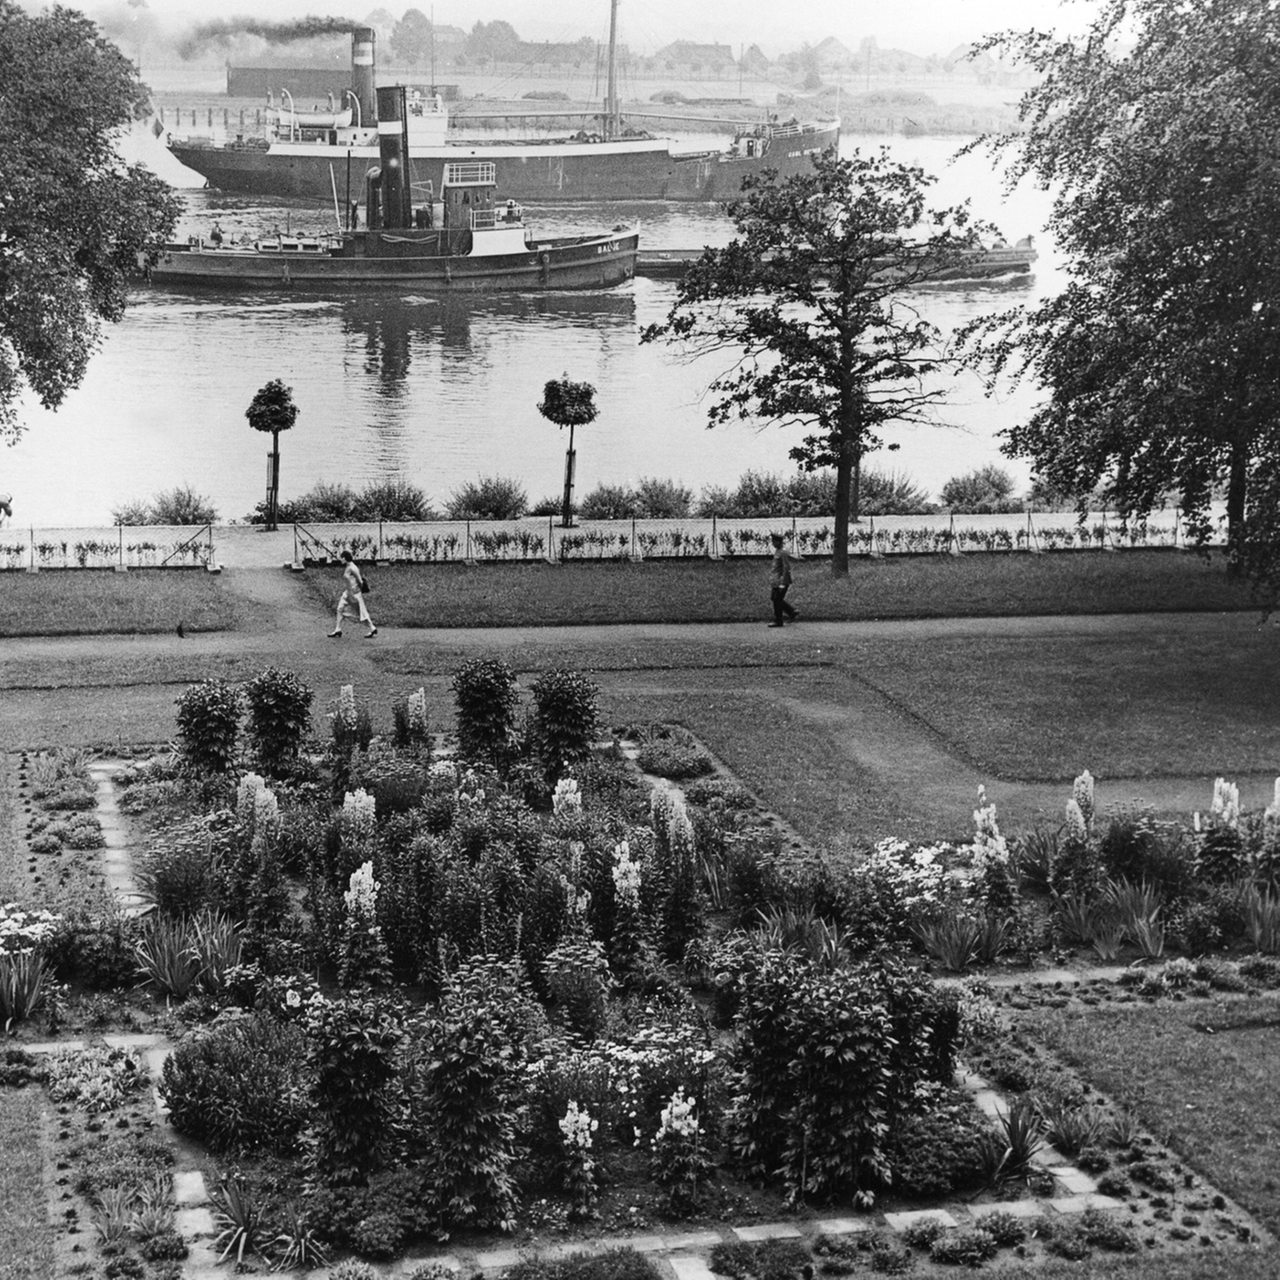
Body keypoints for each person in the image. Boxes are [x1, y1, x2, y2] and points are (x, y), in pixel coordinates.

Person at [330, 549, 377, 639]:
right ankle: (337, 629)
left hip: (354, 593)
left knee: (361, 612)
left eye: (341, 558)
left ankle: (372, 628)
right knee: (340, 609)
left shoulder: (353, 568)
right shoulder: (348, 566)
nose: (340, 560)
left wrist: (356, 591)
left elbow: (360, 581)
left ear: (345, 558)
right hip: (347, 592)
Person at [767, 532, 798, 627]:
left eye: (774, 541)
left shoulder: (783, 552)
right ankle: (792, 612)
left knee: (777, 600)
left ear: (778, 542)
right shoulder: (778, 551)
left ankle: (778, 621)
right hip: (776, 580)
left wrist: (782, 583)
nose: (772, 543)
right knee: (775, 599)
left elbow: (786, 568)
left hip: (781, 581)